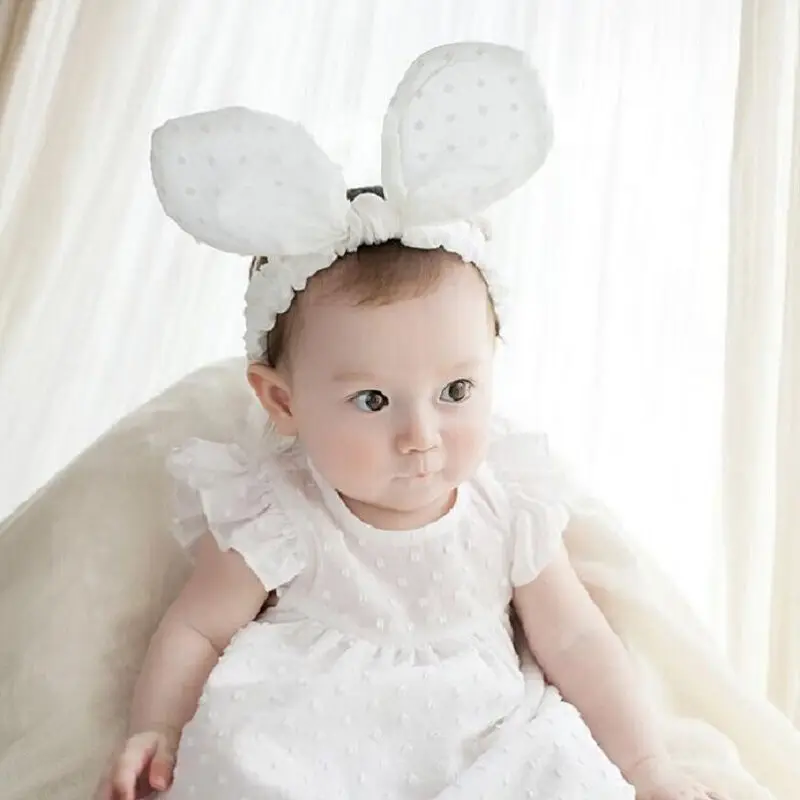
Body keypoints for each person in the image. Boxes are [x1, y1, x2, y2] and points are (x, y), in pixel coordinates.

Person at [97, 43, 726, 800]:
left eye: (456, 390)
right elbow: (198, 628)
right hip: (310, 731)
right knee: (246, 764)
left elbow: (578, 639)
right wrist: (157, 729)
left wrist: (650, 768)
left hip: (483, 736)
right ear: (283, 402)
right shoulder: (279, 507)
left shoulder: (509, 503)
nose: (421, 435)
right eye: (372, 401)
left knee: (558, 770)